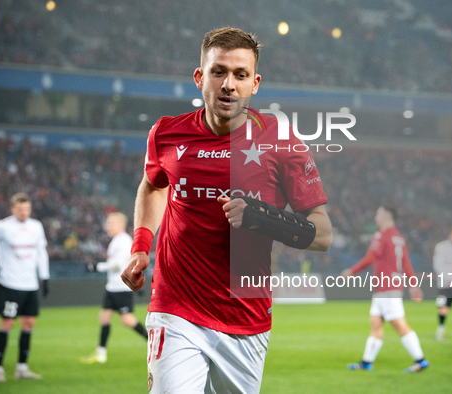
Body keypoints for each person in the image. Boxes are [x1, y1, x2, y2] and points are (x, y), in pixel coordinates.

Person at [120, 27, 332, 394]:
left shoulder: (281, 140)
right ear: (200, 77)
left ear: (255, 83)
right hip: (176, 307)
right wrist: (141, 246)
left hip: (245, 317)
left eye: (240, 74)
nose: (229, 84)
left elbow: (323, 235)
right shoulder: (166, 134)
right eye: (219, 71)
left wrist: (262, 217)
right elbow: (153, 184)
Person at [342, 205, 429, 373]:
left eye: (378, 213)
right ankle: (367, 362)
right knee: (376, 323)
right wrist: (413, 285)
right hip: (389, 287)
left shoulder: (381, 235)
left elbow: (371, 257)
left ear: (387, 216)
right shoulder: (398, 237)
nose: (376, 216)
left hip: (386, 287)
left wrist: (351, 271)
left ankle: (421, 360)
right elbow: (406, 263)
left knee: (398, 324)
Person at [0, 192, 49, 382]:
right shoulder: (3, 226)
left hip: (30, 284)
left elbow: (41, 252)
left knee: (29, 323)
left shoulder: (36, 226)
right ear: (12, 209)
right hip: (10, 283)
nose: (23, 212)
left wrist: (45, 277)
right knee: (7, 323)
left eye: (26, 209)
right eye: (19, 209)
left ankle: (22, 368)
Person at [81, 212, 148, 364]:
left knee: (127, 319)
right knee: (104, 317)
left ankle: (152, 342)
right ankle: (101, 353)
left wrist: (96, 267)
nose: (107, 226)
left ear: (120, 224)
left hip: (121, 287)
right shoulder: (116, 241)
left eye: (110, 223)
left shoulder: (123, 240)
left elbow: (118, 264)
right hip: (112, 287)